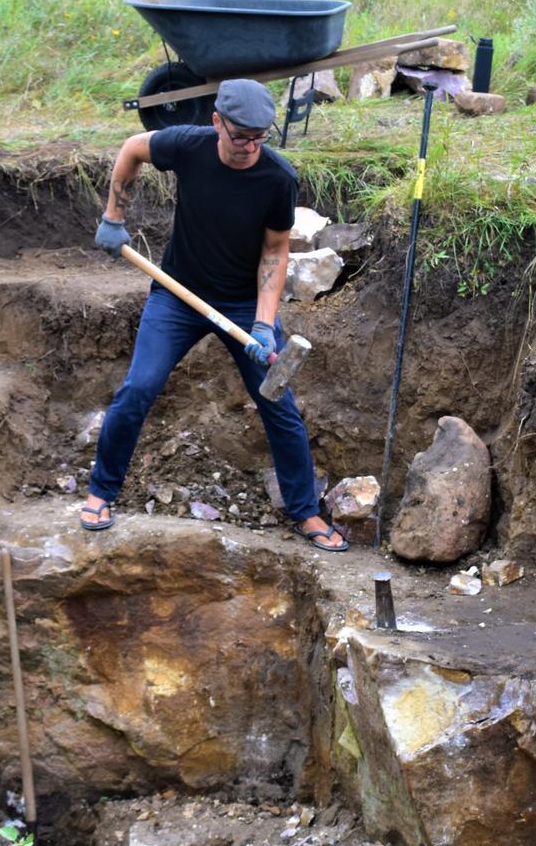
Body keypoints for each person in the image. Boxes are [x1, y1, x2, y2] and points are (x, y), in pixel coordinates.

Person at [79, 80, 347, 552]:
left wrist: (264, 323)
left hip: (244, 305)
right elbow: (131, 149)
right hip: (176, 294)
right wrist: (114, 216)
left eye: (259, 137)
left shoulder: (276, 177)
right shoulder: (188, 146)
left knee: (277, 402)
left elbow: (275, 250)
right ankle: (102, 490)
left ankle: (304, 510)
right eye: (240, 135)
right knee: (139, 388)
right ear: (217, 122)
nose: (248, 147)